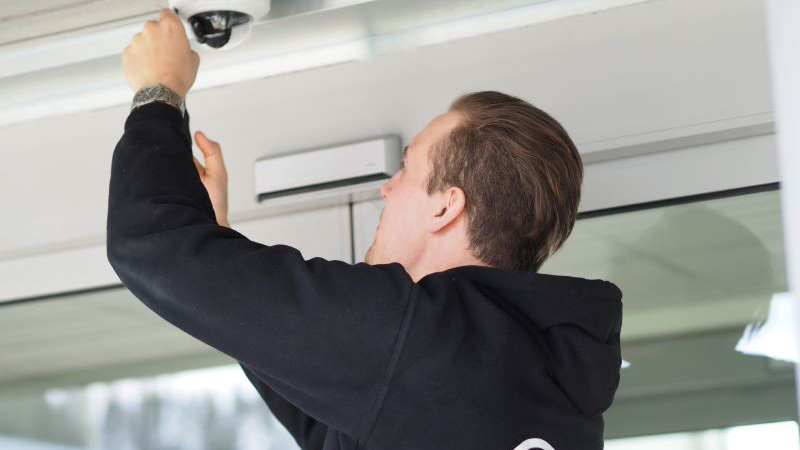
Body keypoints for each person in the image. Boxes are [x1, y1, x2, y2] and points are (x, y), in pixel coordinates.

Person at [108, 8, 623, 450]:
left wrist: (160, 91)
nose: (387, 188)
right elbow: (332, 426)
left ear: (446, 207)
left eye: (406, 169)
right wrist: (217, 234)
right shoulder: (546, 388)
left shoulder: (426, 337)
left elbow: (152, 246)